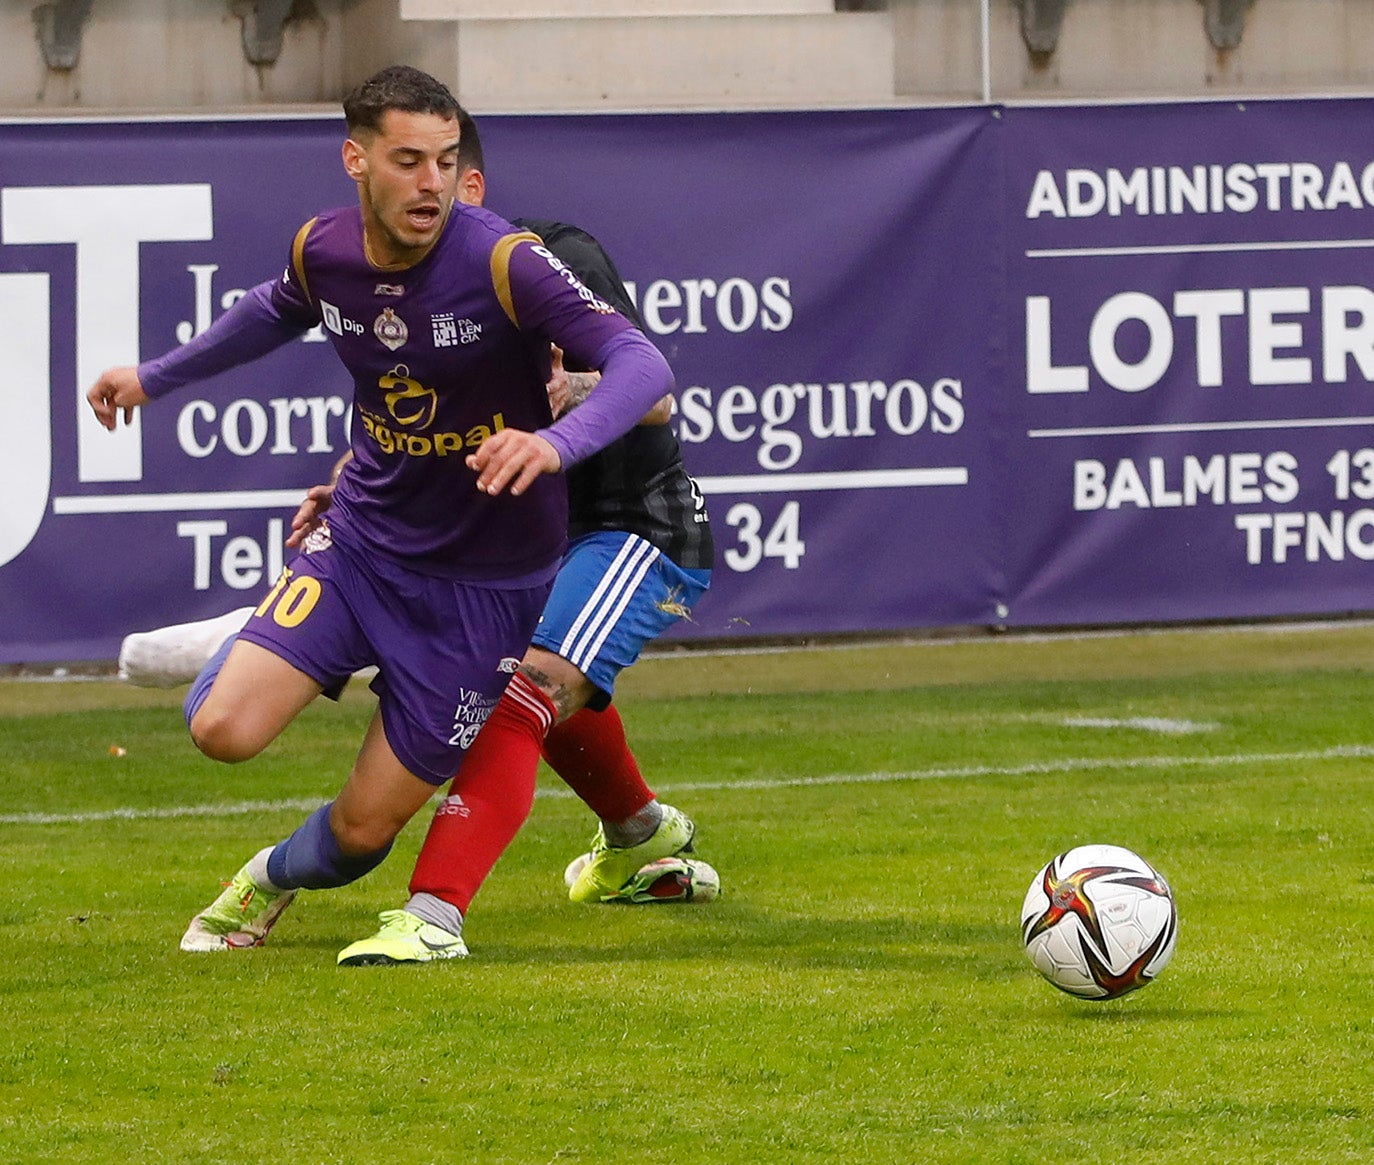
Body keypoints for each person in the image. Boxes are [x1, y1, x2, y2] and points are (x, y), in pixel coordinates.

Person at [86, 65, 680, 963]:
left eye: (445, 160)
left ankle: (267, 877)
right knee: (222, 731)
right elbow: (269, 313)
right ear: (356, 160)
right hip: (364, 547)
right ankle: (267, 633)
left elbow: (644, 366)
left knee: (359, 840)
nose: (432, 182)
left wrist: (552, 444)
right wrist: (153, 377)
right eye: (409, 160)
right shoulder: (321, 250)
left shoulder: (503, 260)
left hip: (483, 594)